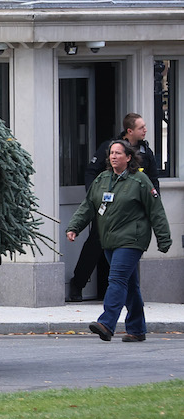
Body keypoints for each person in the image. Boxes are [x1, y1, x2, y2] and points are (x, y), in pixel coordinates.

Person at [66, 139, 172, 342]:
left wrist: (163, 239)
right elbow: (88, 206)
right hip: (109, 240)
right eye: (111, 153)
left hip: (132, 239)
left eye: (118, 153)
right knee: (130, 285)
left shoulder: (140, 181)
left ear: (128, 157)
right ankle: (137, 329)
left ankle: (107, 323)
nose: (113, 157)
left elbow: (156, 210)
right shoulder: (102, 180)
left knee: (116, 279)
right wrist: (74, 227)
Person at [70, 113, 161, 302]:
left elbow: (152, 180)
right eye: (141, 127)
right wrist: (95, 198)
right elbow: (91, 173)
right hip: (107, 208)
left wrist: (154, 201)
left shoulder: (145, 151)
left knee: (128, 248)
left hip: (132, 212)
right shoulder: (111, 148)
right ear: (130, 131)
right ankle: (78, 284)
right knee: (95, 245)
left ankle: (124, 294)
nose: (145, 130)